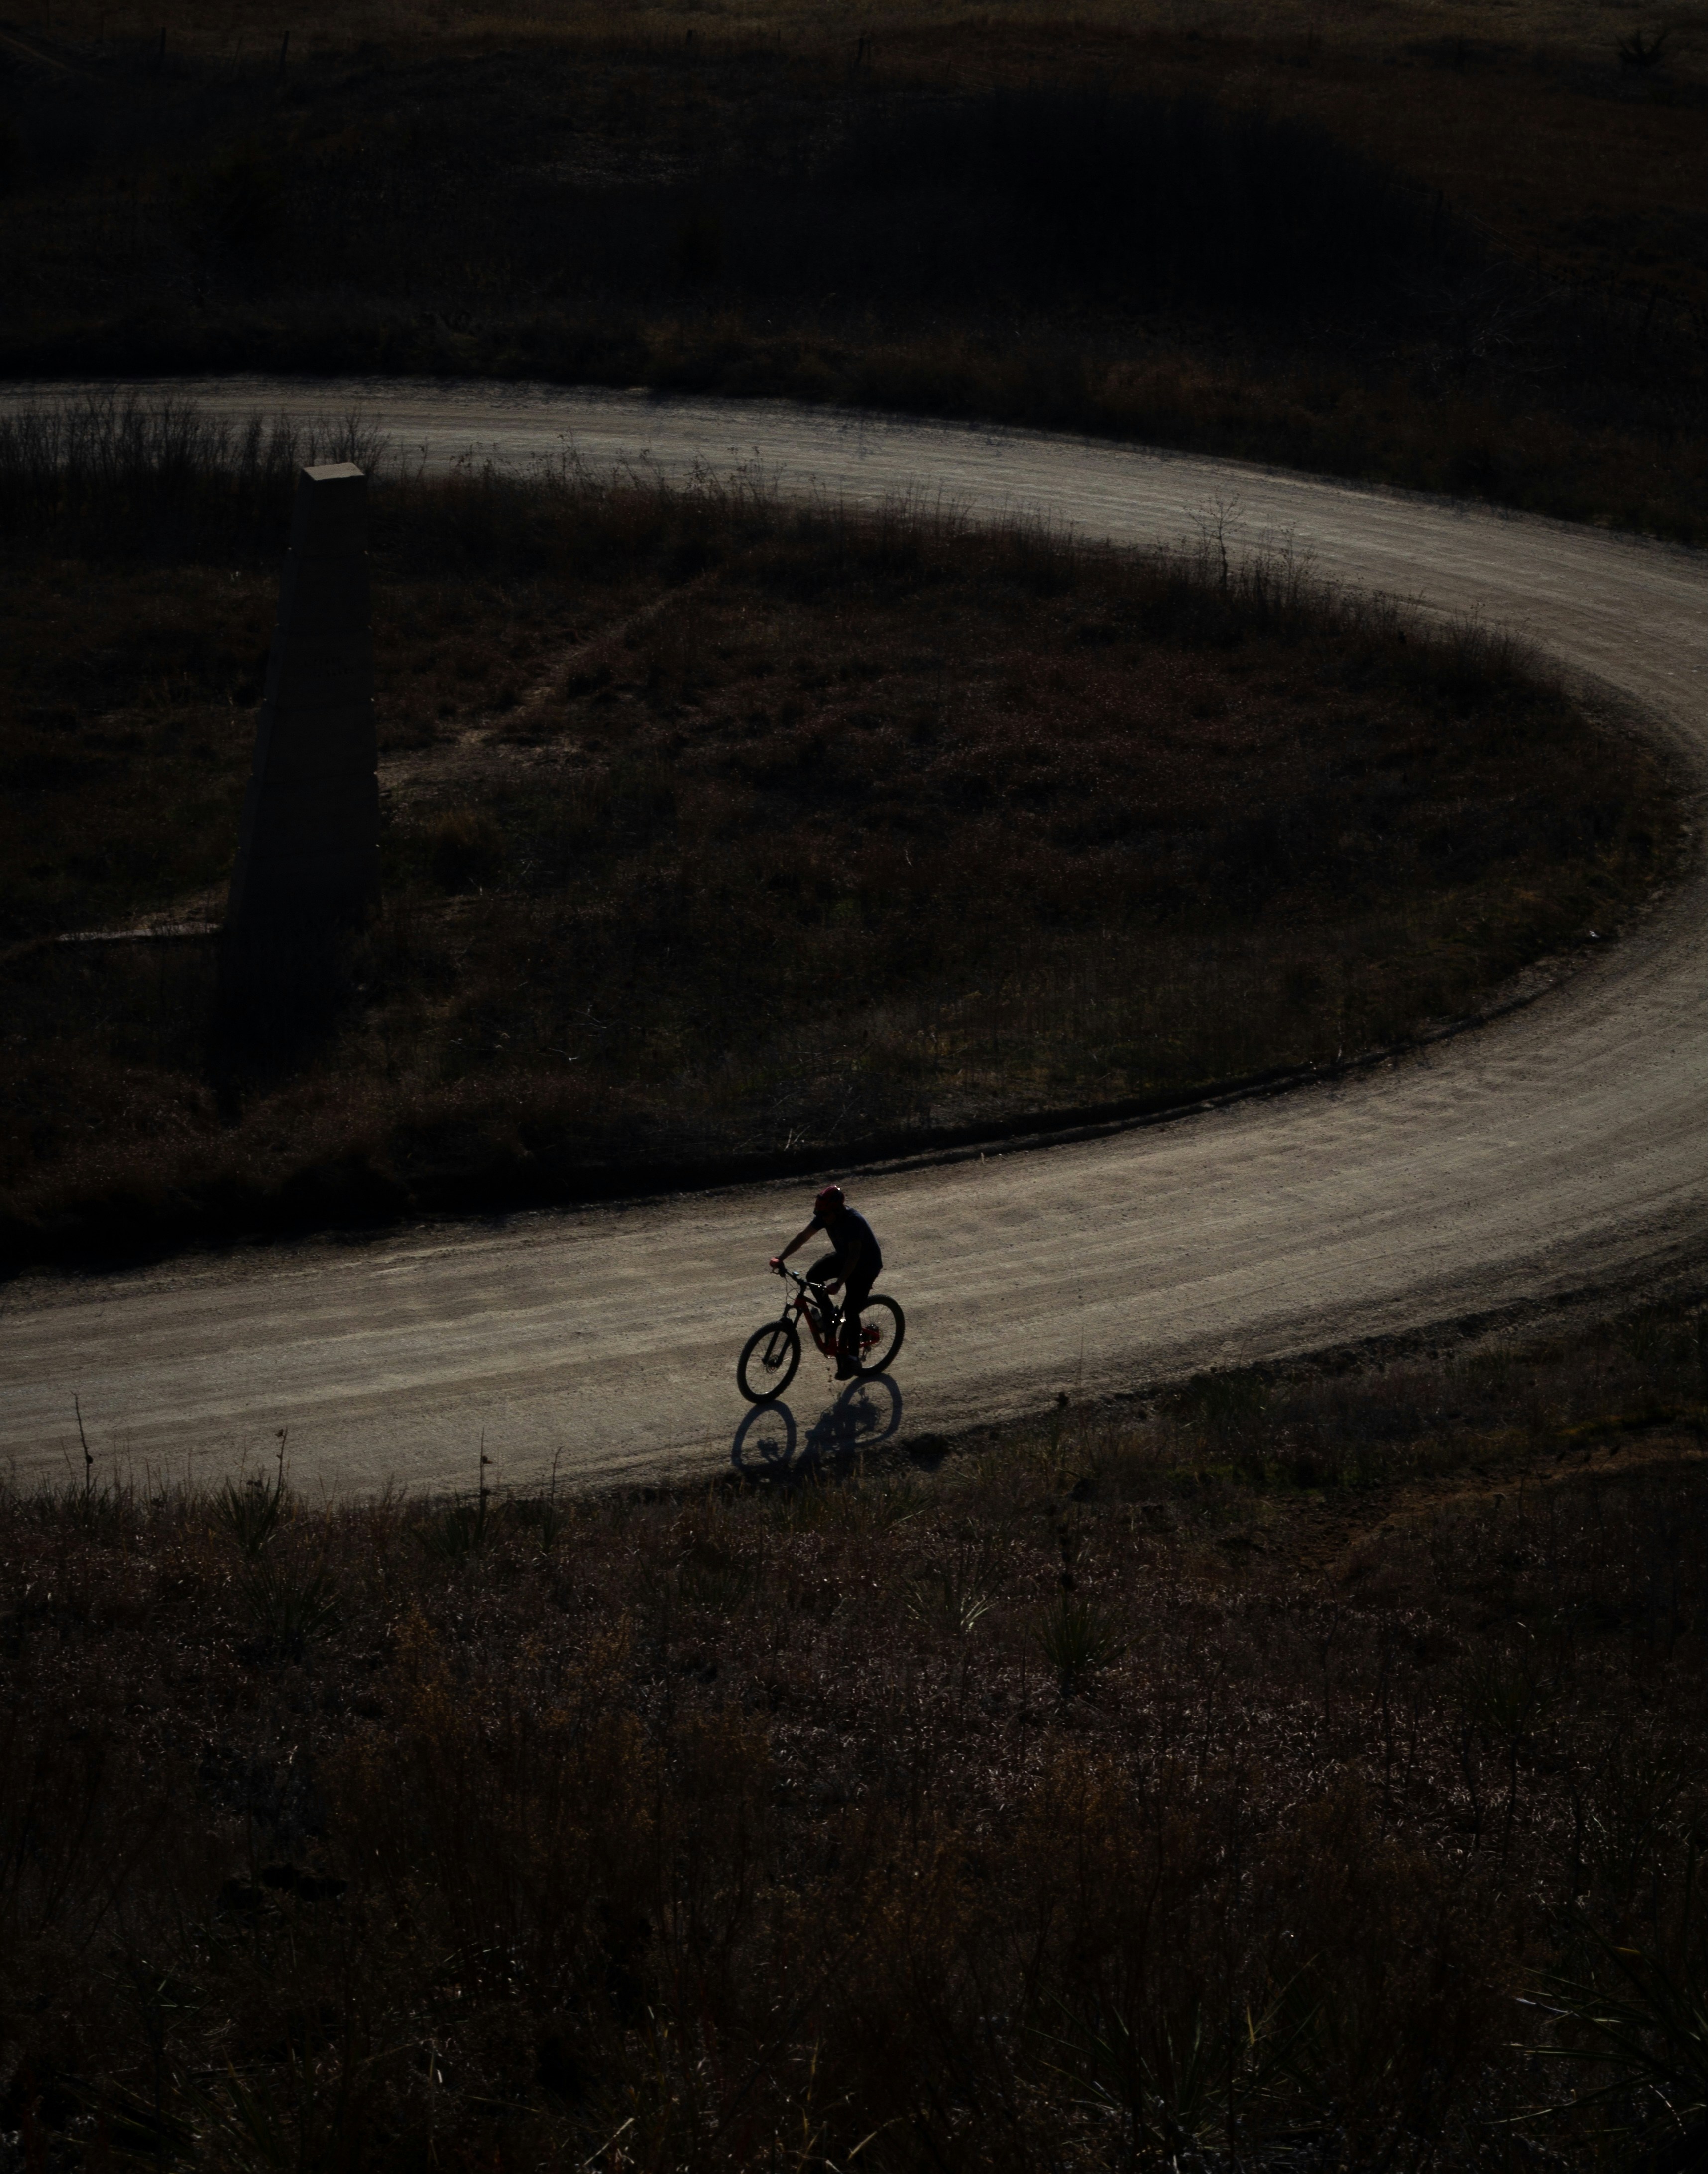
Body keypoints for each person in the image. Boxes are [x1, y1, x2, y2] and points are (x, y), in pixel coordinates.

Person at [770, 1184, 884, 1379]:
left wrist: (839, 1284)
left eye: (826, 1214)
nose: (823, 1219)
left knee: (852, 1310)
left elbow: (854, 1257)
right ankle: (830, 1314)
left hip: (866, 1266)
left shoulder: (853, 1222)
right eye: (820, 1214)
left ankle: (853, 1359)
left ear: (838, 1210)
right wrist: (781, 1258)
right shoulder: (825, 1215)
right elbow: (804, 1236)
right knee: (814, 1276)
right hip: (844, 1257)